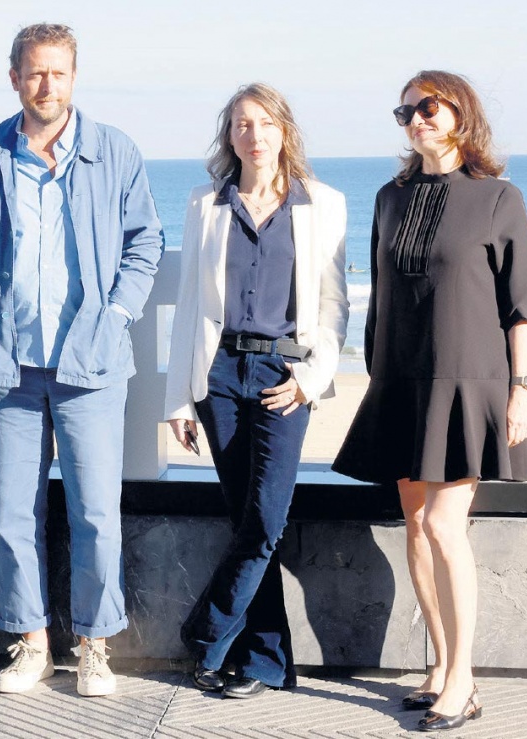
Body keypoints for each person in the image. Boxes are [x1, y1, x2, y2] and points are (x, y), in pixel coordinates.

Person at [0, 23, 163, 697]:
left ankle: (95, 645)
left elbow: (145, 241)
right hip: (8, 363)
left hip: (90, 363)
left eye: (58, 72)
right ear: (15, 77)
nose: (47, 84)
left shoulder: (113, 150)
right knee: (14, 511)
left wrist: (116, 315)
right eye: (35, 72)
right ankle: (31, 642)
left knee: (96, 511)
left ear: (74, 77)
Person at [333, 70, 527, 731]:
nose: (417, 119)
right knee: (417, 524)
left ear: (461, 113)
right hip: (400, 382)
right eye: (406, 112)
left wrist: (521, 389)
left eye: (429, 106)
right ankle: (442, 663)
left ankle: (464, 680)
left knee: (447, 528)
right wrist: (375, 375)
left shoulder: (498, 197)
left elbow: (523, 304)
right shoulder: (389, 198)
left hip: (468, 382)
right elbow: (380, 295)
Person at [164, 83, 349, 699]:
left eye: (266, 123)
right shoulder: (206, 203)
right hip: (218, 376)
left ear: (284, 130)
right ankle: (265, 662)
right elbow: (189, 305)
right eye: (243, 124)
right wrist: (178, 397)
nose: (255, 134)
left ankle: (206, 634)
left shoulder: (322, 203)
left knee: (265, 521)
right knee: (246, 521)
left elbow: (334, 305)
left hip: (283, 378)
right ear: (230, 135)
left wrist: (311, 380)